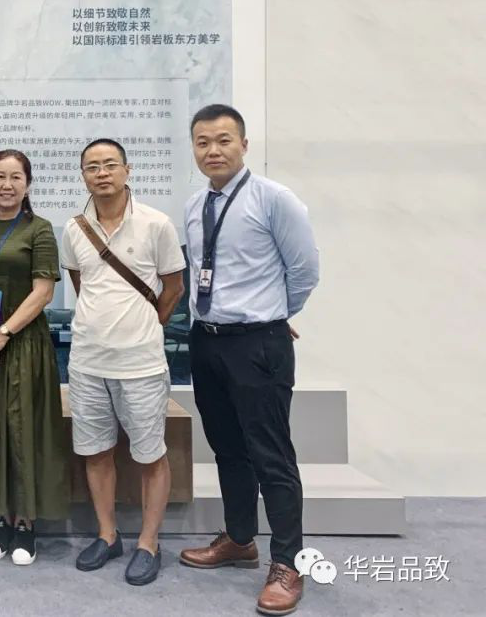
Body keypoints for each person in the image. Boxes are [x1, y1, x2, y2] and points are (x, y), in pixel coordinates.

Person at [178, 104, 319, 617]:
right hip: (208, 340)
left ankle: (288, 563)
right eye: (202, 142)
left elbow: (304, 270)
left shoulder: (274, 198)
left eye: (223, 140)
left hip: (258, 344)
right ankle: (239, 539)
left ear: (243, 144)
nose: (213, 150)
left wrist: (275, 316)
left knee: (271, 454)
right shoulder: (195, 205)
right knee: (227, 448)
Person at [60, 138, 185, 585]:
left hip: (141, 364)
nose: (102, 173)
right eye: (92, 166)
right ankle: (107, 534)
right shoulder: (74, 229)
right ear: (83, 176)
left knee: (150, 455)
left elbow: (173, 287)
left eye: (110, 164)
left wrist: (147, 325)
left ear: (127, 170)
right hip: (88, 362)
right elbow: (82, 284)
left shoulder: (156, 224)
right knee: (96, 452)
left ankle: (149, 543)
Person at [0, 150, 71, 565]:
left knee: (22, 429)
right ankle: (1, 518)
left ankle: (25, 523)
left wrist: (2, 335)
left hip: (21, 344)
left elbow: (43, 292)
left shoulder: (39, 230)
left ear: (27, 184)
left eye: (16, 177)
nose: (7, 185)